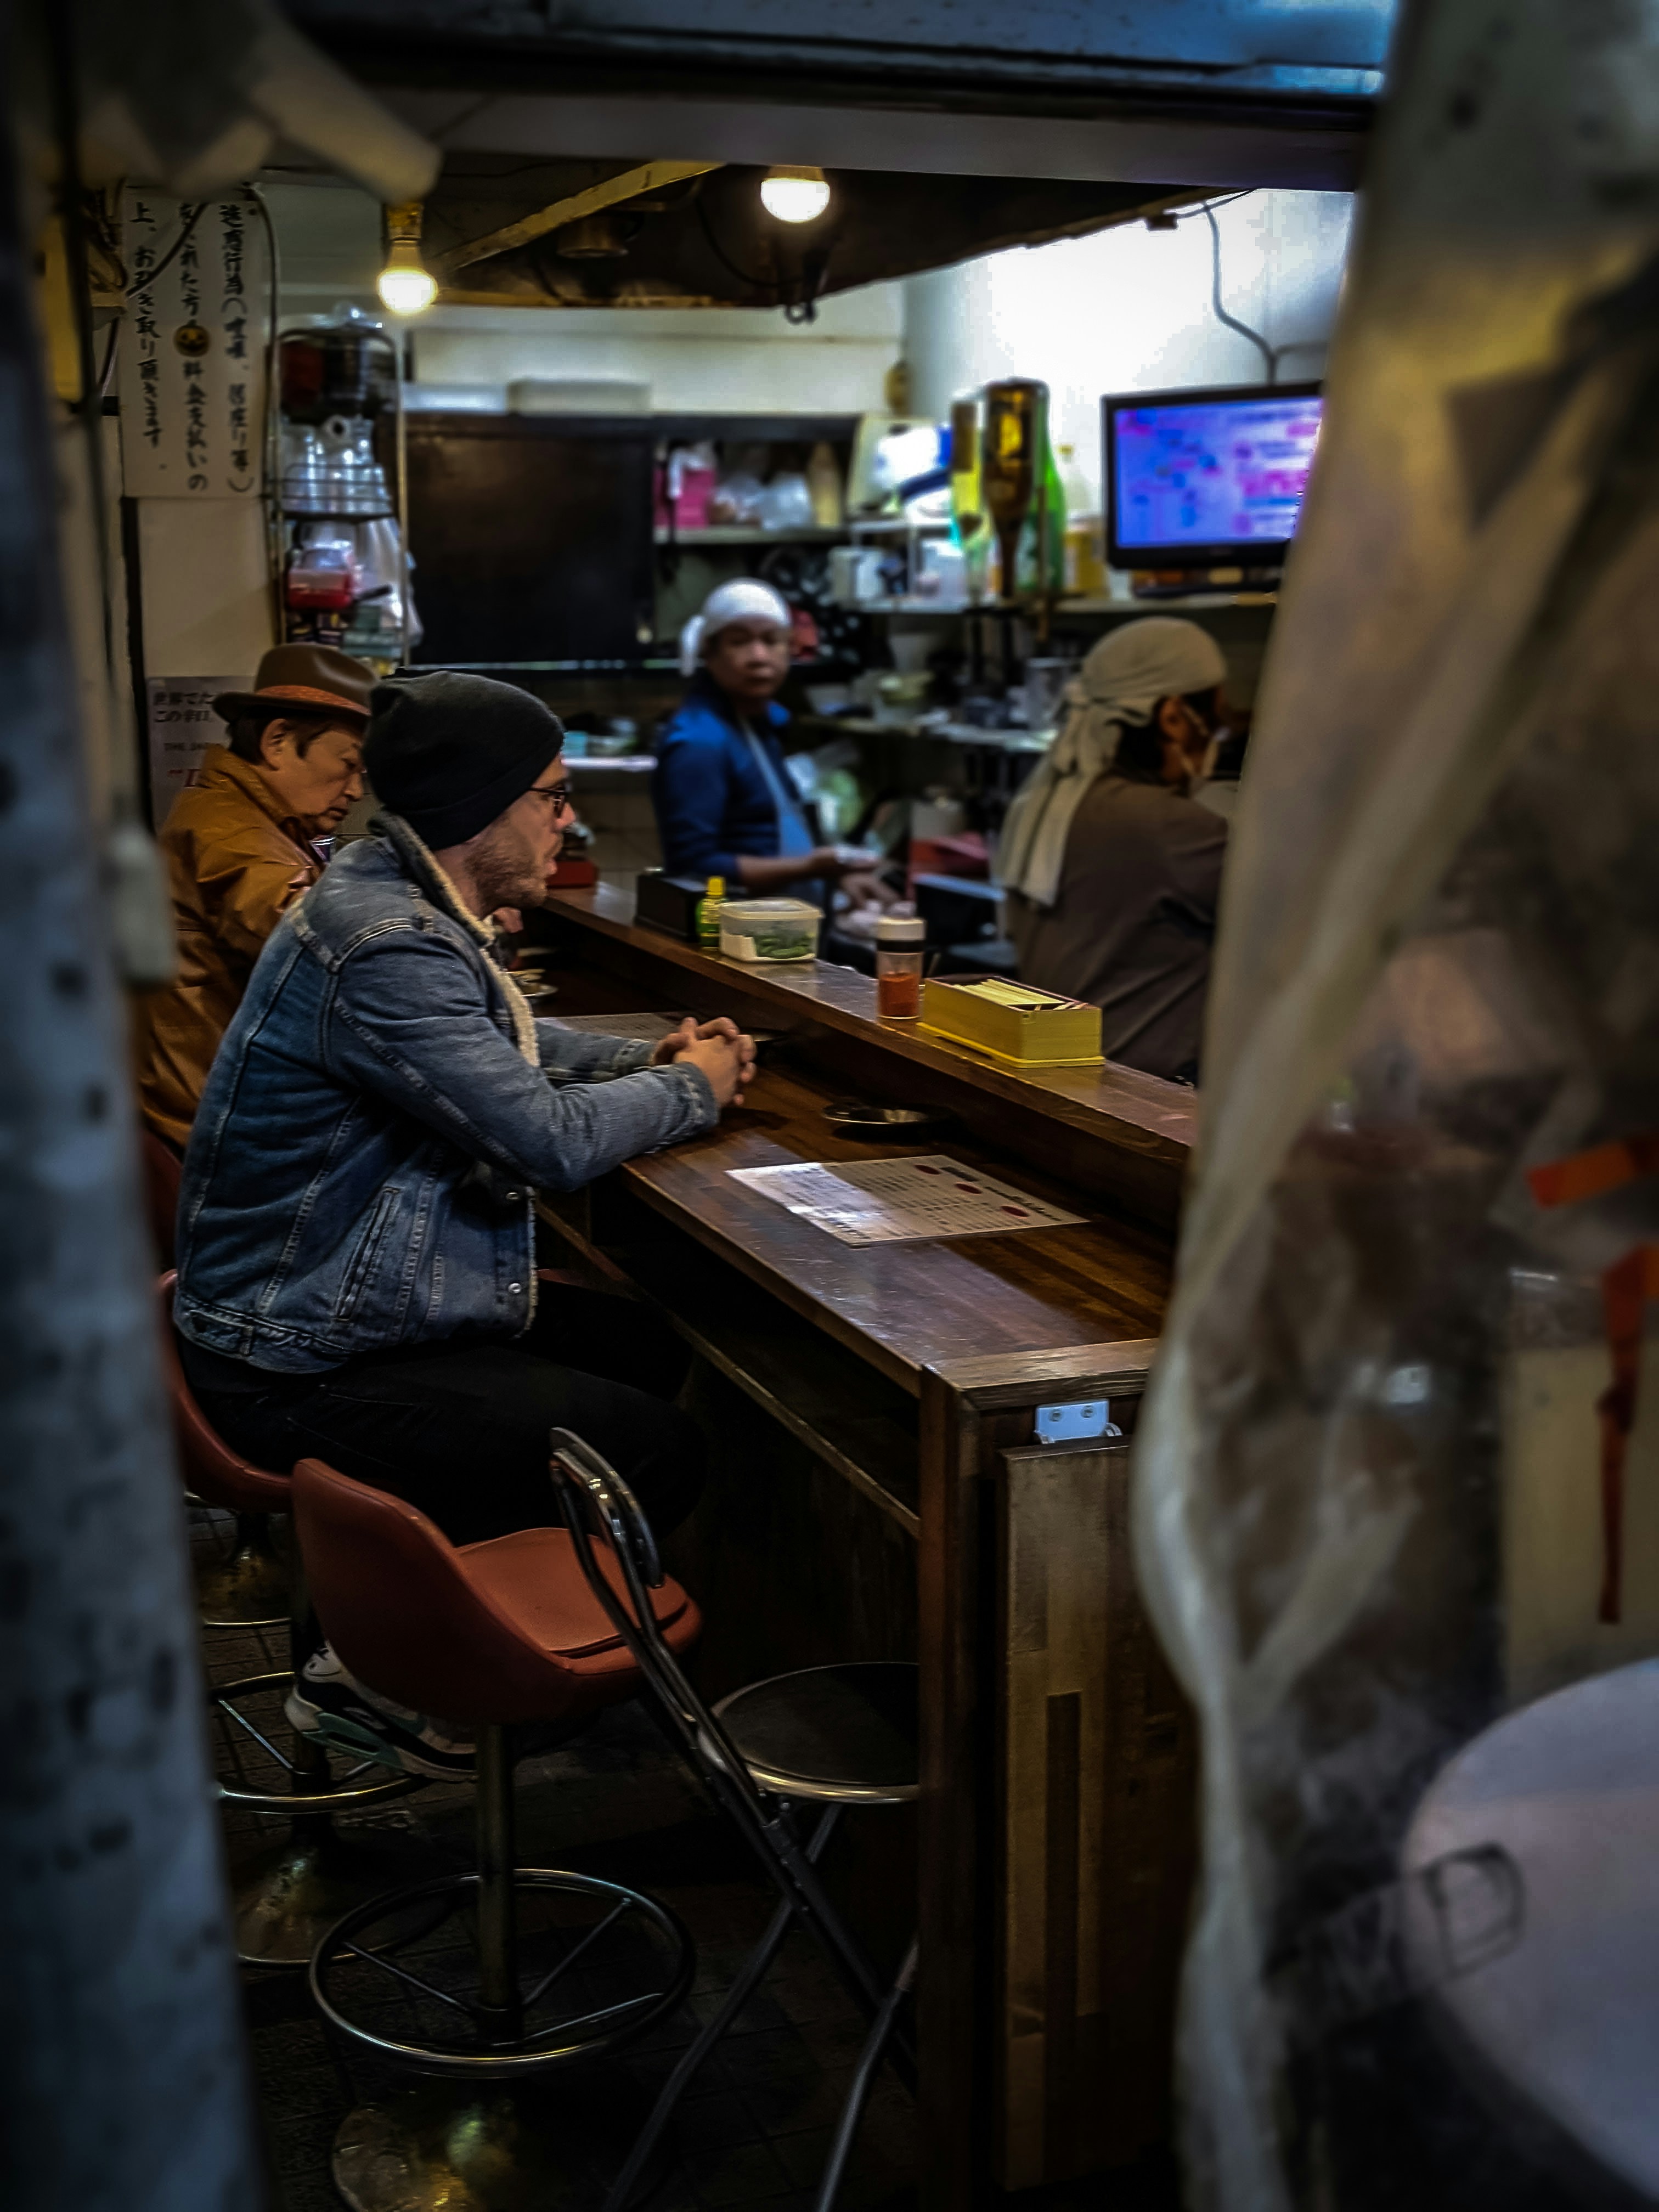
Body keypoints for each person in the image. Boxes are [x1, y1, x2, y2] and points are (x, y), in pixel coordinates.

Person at [173, 670, 755, 1776]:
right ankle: (385, 1682)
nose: (567, 819)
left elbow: (510, 1045)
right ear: (479, 810)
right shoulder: (386, 939)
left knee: (641, 1351)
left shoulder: (393, 896)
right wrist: (698, 1091)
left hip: (301, 1311)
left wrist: (654, 1059)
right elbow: (546, 1137)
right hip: (291, 1355)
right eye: (550, 794)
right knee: (653, 1447)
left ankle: (461, 1628)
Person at [133, 644, 373, 1151]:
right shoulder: (228, 827)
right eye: (348, 765)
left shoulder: (257, 818)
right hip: (222, 1132)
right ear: (278, 741)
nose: (354, 791)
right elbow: (314, 937)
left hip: (223, 1108)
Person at [1001, 618, 1231, 1085]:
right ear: (1172, 718)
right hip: (1142, 1098)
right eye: (1218, 722)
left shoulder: (1041, 801)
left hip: (1057, 1082)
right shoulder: (1167, 826)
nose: (1218, 739)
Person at [653, 578, 886, 909]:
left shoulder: (760, 724)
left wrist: (839, 876)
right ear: (710, 651)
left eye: (771, 640)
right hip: (733, 939)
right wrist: (811, 867)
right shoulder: (699, 743)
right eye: (739, 642)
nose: (758, 657)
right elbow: (694, 867)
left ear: (789, 648)